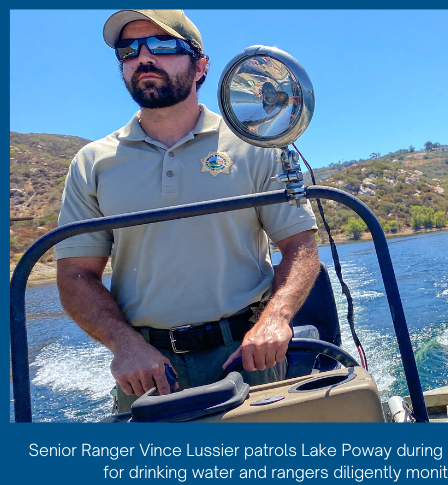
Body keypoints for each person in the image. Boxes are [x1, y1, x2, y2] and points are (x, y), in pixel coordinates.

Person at [54, 9, 321, 413]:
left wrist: (275, 319)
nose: (144, 58)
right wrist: (126, 346)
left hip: (249, 356)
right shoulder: (93, 162)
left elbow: (300, 247)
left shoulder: (254, 146)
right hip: (147, 368)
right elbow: (75, 275)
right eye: (128, 51)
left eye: (162, 46)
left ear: (200, 66)